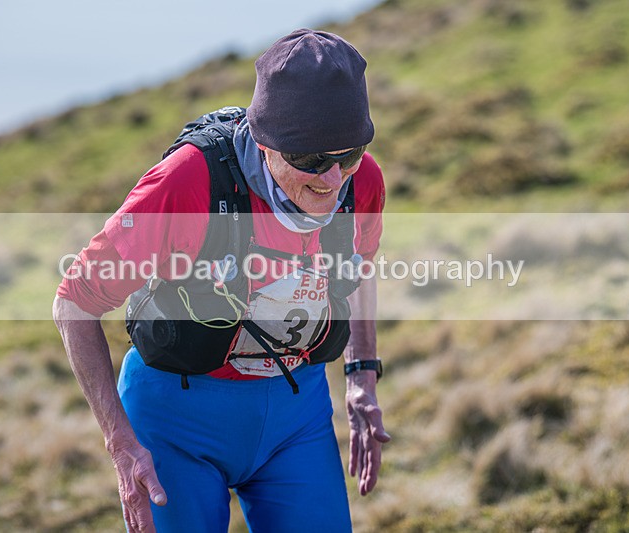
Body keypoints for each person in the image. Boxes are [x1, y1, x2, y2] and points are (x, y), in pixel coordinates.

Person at [53, 28, 389, 533]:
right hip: (175, 420)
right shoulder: (187, 182)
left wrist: (361, 376)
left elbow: (359, 264)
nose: (332, 179)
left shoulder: (361, 181)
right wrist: (122, 445)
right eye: (310, 160)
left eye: (349, 154)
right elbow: (74, 302)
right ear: (263, 140)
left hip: (296, 416)